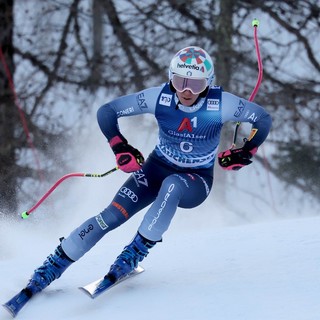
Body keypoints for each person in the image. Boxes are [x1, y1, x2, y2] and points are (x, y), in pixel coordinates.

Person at [15, 46, 272, 296]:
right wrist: (119, 146)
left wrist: (246, 151)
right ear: (170, 77)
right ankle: (53, 265)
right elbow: (108, 111)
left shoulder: (222, 104)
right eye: (180, 81)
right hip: (155, 168)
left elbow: (262, 119)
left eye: (195, 85)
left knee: (172, 185)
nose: (186, 91)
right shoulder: (159, 97)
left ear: (209, 83)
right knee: (110, 216)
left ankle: (134, 253)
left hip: (195, 181)